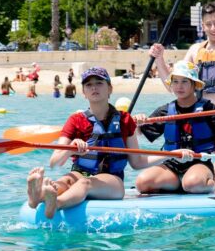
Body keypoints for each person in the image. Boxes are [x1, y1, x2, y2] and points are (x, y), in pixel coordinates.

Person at [26, 67, 153, 219]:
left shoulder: (125, 120)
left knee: (86, 183)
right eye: (88, 85)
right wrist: (70, 149)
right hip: (79, 172)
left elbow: (137, 162)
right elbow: (54, 162)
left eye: (99, 83)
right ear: (84, 93)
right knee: (65, 181)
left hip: (112, 180)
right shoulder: (76, 120)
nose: (94, 87)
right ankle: (36, 197)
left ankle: (57, 203)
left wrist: (170, 156)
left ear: (110, 89)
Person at [150, 1, 215, 188]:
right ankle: (207, 176)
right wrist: (159, 60)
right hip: (203, 120)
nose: (213, 28)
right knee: (199, 174)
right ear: (202, 25)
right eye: (208, 24)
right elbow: (172, 84)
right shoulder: (196, 50)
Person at [134, 60, 215, 194]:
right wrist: (137, 122)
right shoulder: (165, 111)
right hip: (172, 165)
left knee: (193, 182)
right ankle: (180, 185)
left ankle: (211, 181)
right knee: (142, 183)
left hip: (199, 163)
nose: (179, 86)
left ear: (195, 85)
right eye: (175, 81)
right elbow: (138, 132)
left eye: (185, 81)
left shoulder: (208, 108)